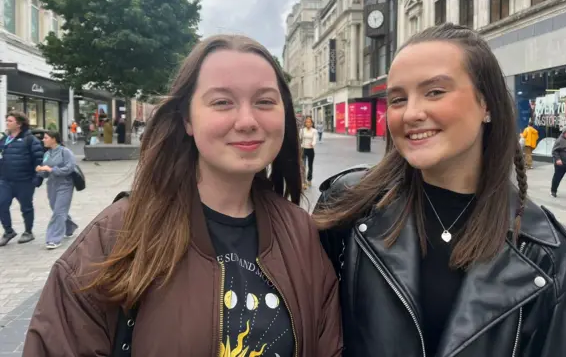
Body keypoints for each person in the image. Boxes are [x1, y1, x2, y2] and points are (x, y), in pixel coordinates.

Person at [23, 34, 342, 356]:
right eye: (222, 102)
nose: (247, 121)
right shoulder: (114, 238)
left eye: (264, 101)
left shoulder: (302, 235)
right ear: (187, 119)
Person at [314, 23, 566, 357]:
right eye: (398, 98)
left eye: (435, 92)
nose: (412, 113)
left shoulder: (544, 252)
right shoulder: (350, 206)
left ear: (486, 103)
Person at [0, 111, 44, 247]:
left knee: (26, 207)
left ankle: (28, 232)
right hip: (5, 180)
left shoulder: (30, 140)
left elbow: (39, 160)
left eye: (10, 121)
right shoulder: (4, 140)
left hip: (24, 181)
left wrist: (37, 179)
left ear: (19, 124)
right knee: (1, 204)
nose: (7, 123)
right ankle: (8, 231)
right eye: (7, 120)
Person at [36, 131, 78, 249]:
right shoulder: (47, 154)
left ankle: (53, 239)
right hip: (52, 186)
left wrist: (51, 170)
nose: (43, 140)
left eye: (45, 138)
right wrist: (40, 171)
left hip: (65, 185)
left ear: (54, 139)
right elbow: (46, 173)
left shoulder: (65, 152)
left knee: (58, 212)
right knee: (57, 210)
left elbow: (70, 168)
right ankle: (69, 227)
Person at [300, 116, 318, 190]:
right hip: (303, 149)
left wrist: (313, 144)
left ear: (311, 123)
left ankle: (309, 179)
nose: (308, 123)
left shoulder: (314, 131)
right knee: (303, 166)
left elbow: (314, 139)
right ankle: (303, 182)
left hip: (310, 150)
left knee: (310, 165)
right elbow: (299, 139)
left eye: (309, 122)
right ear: (305, 123)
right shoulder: (302, 130)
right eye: (307, 122)